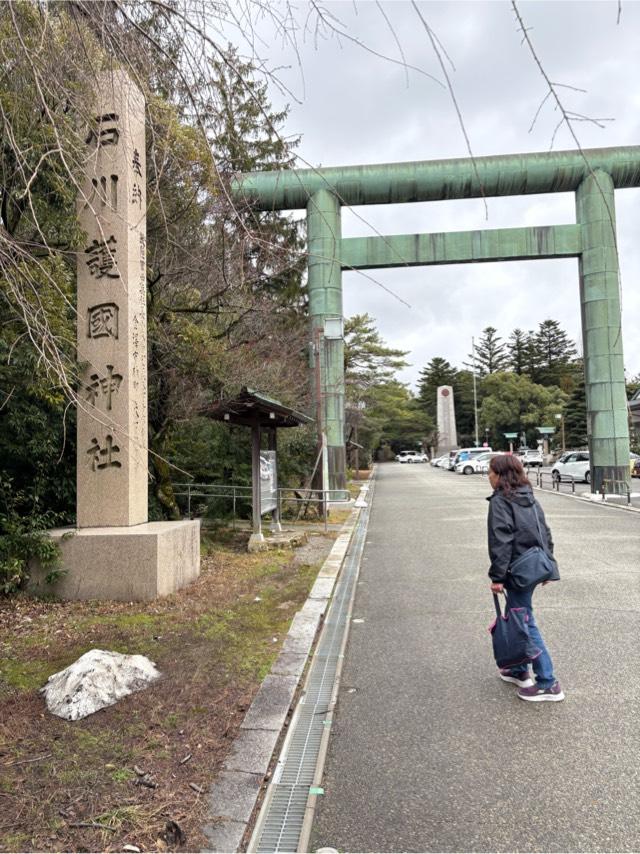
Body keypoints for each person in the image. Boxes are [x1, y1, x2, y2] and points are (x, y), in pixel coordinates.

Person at [487, 454, 564, 702]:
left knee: (524, 622)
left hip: (516, 571)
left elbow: (502, 540)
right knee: (520, 618)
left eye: (490, 472)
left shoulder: (500, 501)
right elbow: (545, 532)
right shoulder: (529, 497)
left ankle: (547, 682)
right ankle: (520, 670)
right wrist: (548, 566)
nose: (487, 476)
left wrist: (497, 577)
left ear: (500, 475)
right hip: (532, 567)